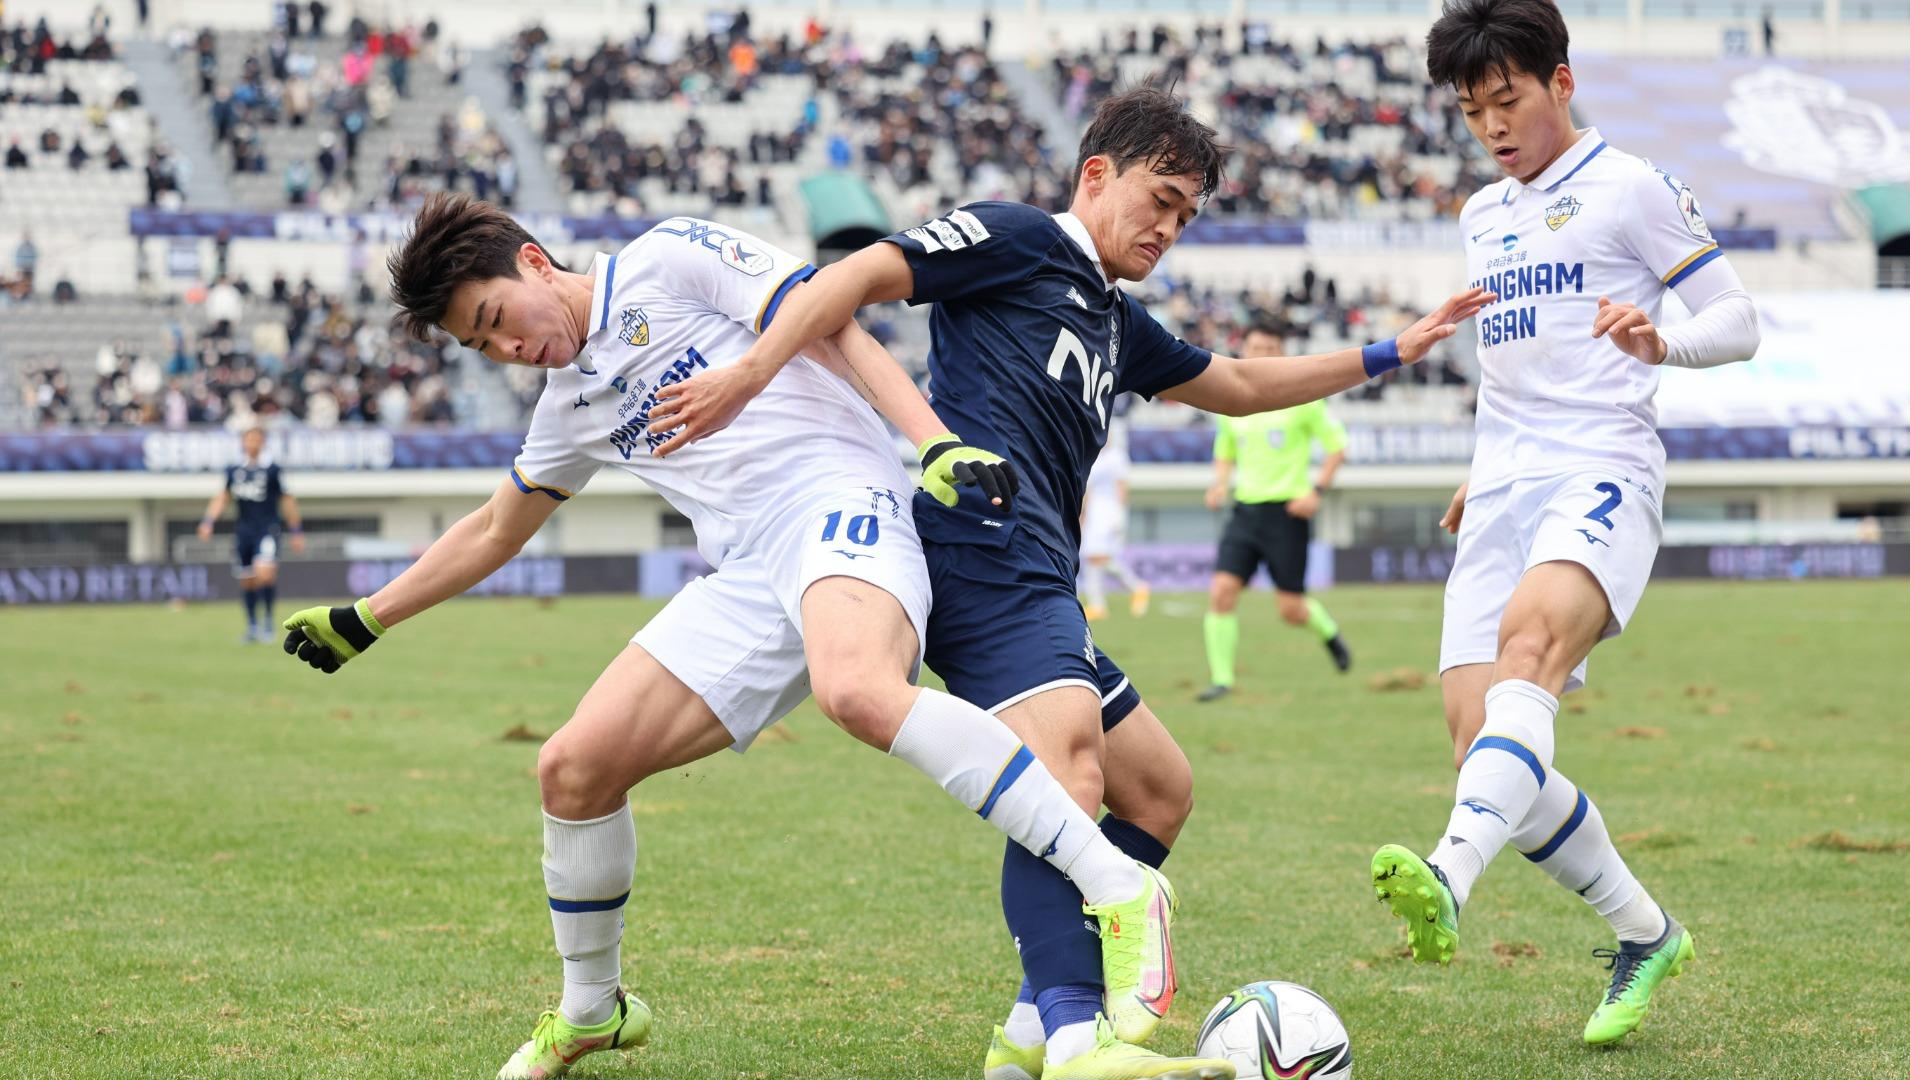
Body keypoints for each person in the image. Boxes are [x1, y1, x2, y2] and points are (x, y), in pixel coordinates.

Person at [645, 86, 1490, 1079]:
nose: (1169, 226)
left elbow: (1241, 389)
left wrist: (1393, 350)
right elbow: (855, 280)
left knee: (1159, 791)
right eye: (1159, 198)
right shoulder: (1015, 238)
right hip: (977, 554)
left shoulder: (1113, 318)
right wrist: (748, 377)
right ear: (1097, 174)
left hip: (1041, 574)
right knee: (1069, 780)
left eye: (1185, 214)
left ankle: (1025, 1036)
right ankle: (1080, 1035)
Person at [278, 193, 1177, 1080]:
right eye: (483, 346)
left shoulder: (667, 259)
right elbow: (492, 531)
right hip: (750, 573)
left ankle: (1116, 881)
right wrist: (367, 617)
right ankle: (594, 1010)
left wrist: (932, 442)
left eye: (496, 319)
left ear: (532, 264)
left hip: (842, 500)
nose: (508, 349)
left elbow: (832, 324)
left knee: (858, 691)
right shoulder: (567, 409)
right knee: (572, 769)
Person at [1368, 0, 1760, 1047]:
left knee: (1526, 654)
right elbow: (1510, 361)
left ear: (1561, 82)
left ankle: (1448, 877)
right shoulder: (1481, 214)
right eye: (1472, 110)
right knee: (1479, 741)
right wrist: (1476, 468)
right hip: (1502, 483)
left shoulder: (1632, 188)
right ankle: (1646, 932)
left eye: (1509, 100)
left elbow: (1738, 318)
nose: (1493, 125)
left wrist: (1660, 344)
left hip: (1602, 465)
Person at [1197, 320, 1352, 702]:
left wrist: (1316, 491)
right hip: (1246, 511)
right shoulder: (1231, 403)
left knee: (1291, 610)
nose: (1262, 355)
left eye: (1269, 348)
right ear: (1243, 350)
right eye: (1255, 348)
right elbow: (1225, 452)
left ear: (1280, 352)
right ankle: (1222, 681)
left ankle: (1330, 635)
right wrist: (1219, 484)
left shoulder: (1304, 400)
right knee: (1221, 592)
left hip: (1288, 513)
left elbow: (1337, 446)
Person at [198, 426, 305, 642]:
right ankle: (252, 626)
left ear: (263, 442)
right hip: (244, 531)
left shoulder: (273, 470)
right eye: (249, 439)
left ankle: (268, 623)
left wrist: (296, 531)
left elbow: (287, 499)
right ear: (243, 443)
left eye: (257, 439)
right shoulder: (235, 470)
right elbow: (223, 496)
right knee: (247, 580)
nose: (252, 443)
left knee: (264, 573)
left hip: (267, 529)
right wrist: (208, 521)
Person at [1078, 394, 1150, 621]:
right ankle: (1100, 603)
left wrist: (1119, 514)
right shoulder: (1092, 457)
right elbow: (1087, 490)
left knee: (1097, 556)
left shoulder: (1116, 457)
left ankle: (1135, 587)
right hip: (1095, 510)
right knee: (1092, 556)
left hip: (1109, 510)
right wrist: (1083, 515)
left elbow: (1121, 487)